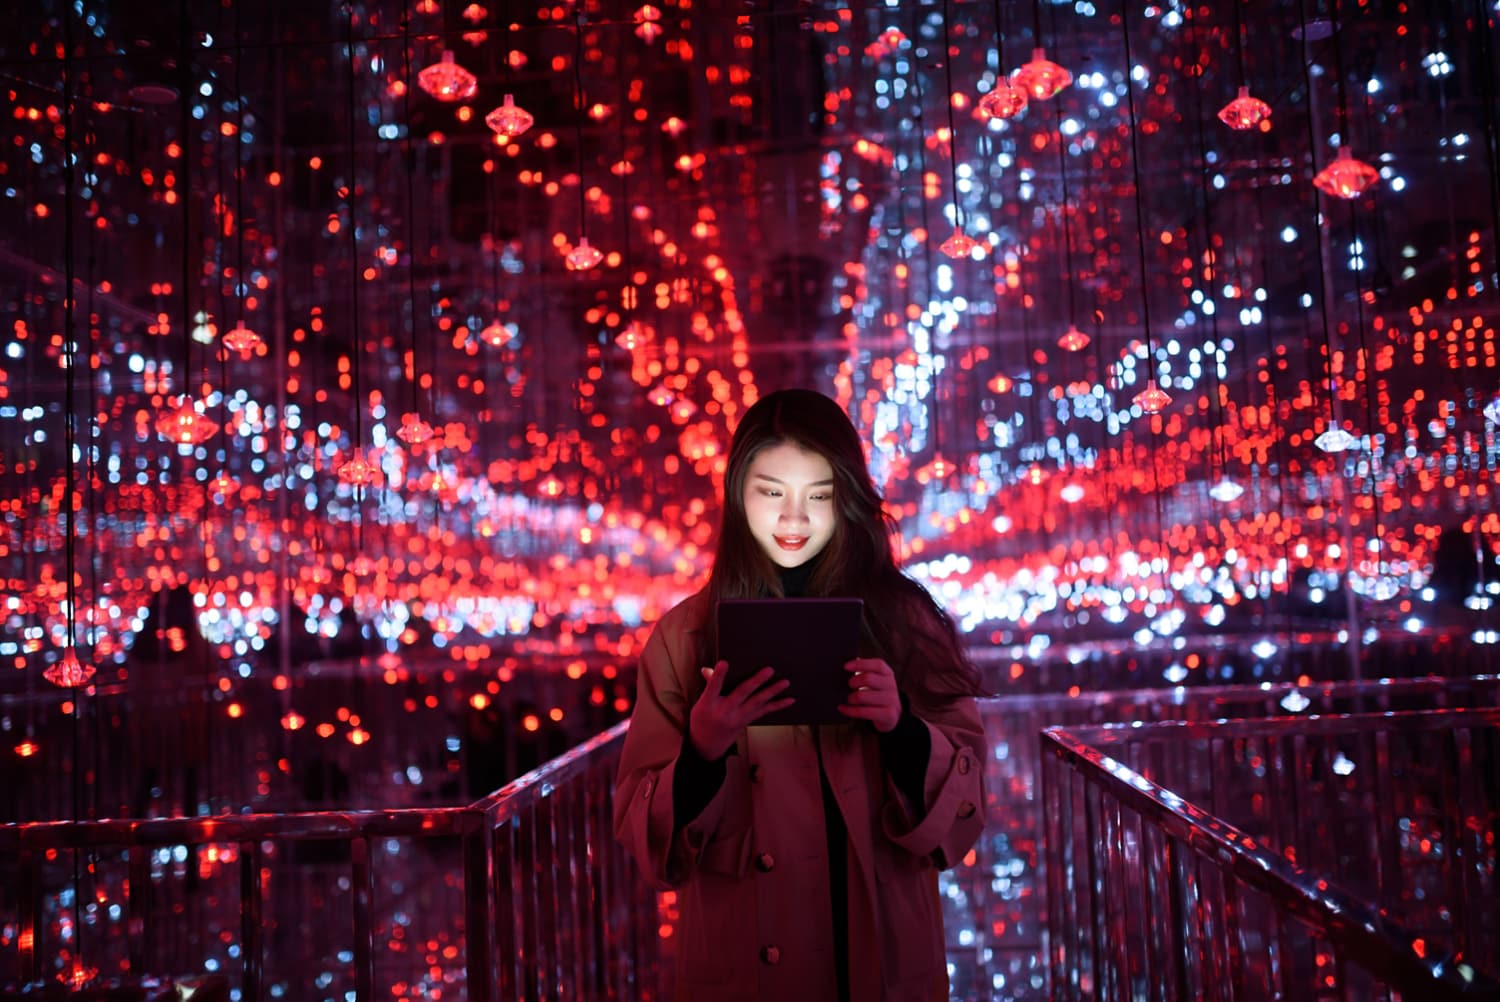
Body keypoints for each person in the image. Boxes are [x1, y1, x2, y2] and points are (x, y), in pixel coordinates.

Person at [614, 388, 988, 1001]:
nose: (795, 520)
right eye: (771, 493)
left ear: (850, 498)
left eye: (820, 495)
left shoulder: (904, 621)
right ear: (737, 496)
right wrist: (701, 753)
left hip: (880, 950)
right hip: (747, 956)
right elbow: (643, 838)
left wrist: (901, 730)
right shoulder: (684, 637)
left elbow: (969, 804)